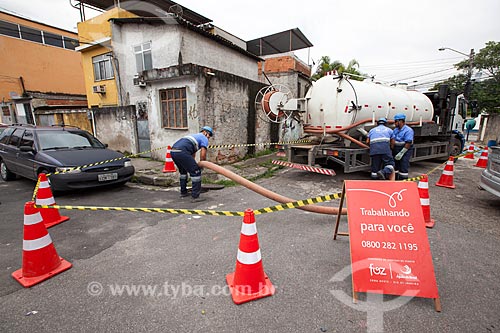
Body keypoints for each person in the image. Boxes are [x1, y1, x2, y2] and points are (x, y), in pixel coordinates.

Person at [170, 126, 213, 202]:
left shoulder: (194, 136)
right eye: (209, 135)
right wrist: (201, 164)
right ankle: (195, 196)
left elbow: (192, 154)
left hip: (173, 151)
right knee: (196, 172)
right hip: (182, 152)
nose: (209, 137)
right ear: (205, 132)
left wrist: (191, 164)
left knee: (183, 172)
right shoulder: (204, 138)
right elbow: (203, 154)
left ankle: (183, 192)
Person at [391, 113, 414, 180]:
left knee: (403, 165)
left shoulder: (408, 130)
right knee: (396, 166)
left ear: (400, 121)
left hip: (405, 150)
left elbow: (408, 143)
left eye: (395, 121)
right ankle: (395, 180)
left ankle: (403, 181)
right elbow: (393, 139)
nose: (394, 123)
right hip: (396, 149)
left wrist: (402, 153)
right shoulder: (396, 130)